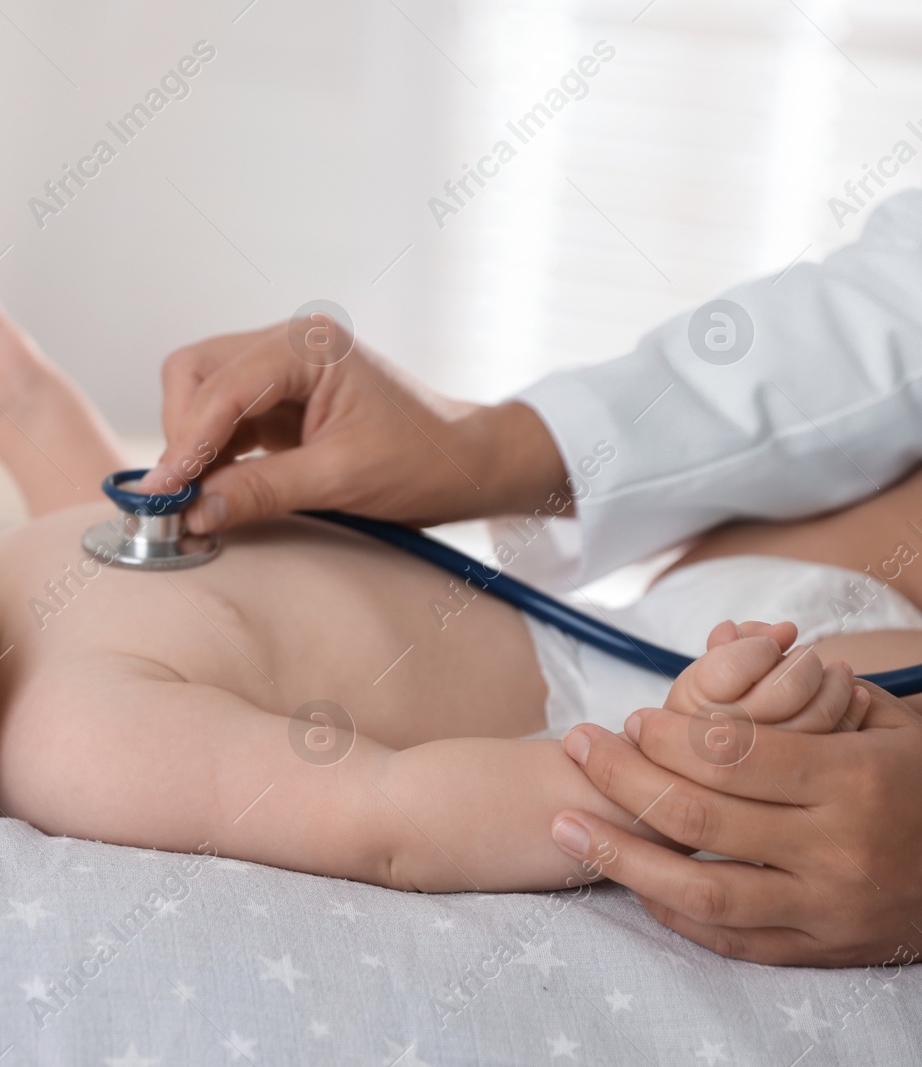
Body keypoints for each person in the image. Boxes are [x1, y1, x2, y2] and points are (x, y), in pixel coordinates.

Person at [0, 291, 896, 904]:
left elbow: (100, 522)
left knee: (854, 480)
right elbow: (374, 813)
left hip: (634, 596)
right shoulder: (75, 742)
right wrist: (634, 785)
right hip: (619, 696)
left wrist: (17, 403)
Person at [137, 189, 922, 966]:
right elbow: (894, 298)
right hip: (723, 629)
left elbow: (390, 817)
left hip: (713, 694)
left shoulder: (49, 696)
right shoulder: (53, 713)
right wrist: (483, 447)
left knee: (780, 721)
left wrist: (664, 785)